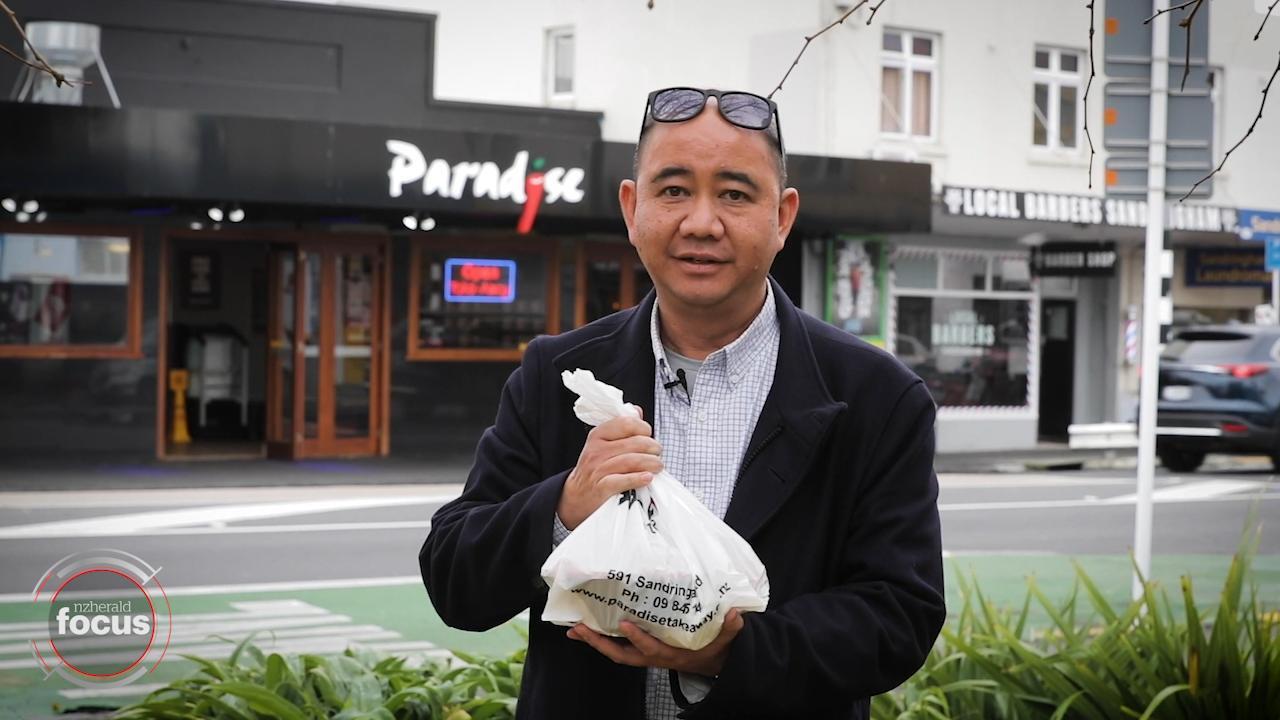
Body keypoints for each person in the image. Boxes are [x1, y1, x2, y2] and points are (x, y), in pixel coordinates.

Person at [420, 86, 945, 720]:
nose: (701, 222)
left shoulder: (876, 397)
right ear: (631, 207)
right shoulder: (558, 375)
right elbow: (454, 581)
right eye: (673, 190)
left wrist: (733, 651)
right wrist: (564, 506)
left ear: (782, 217)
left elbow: (899, 616)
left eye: (733, 193)